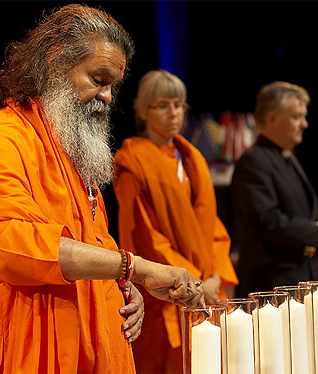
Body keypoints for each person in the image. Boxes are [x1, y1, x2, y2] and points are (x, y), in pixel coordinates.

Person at [0, 6, 204, 374]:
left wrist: (122, 286)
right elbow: (10, 246)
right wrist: (135, 268)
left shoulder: (72, 156)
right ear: (53, 66)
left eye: (113, 86)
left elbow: (95, 251)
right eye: (99, 80)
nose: (108, 98)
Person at [113, 70, 238, 373]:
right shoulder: (132, 162)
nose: (174, 113)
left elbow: (213, 227)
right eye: (164, 105)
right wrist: (192, 281)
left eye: (180, 105)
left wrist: (215, 277)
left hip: (206, 287)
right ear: (143, 110)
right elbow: (145, 236)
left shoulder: (192, 157)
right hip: (166, 293)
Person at [231, 81, 318, 297]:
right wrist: (315, 233)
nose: (304, 124)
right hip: (270, 286)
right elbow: (265, 218)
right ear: (272, 118)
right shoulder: (254, 161)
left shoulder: (287, 158)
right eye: (296, 117)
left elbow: (306, 209)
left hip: (298, 278)